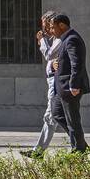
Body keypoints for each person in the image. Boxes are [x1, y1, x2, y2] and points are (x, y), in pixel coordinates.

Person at [21, 11, 61, 159]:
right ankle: (39, 151)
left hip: (56, 82)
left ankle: (38, 151)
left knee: (51, 117)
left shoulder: (59, 39)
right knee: (55, 117)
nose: (45, 29)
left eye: (47, 25)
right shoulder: (54, 38)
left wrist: (42, 42)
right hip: (52, 81)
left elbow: (50, 55)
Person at [50, 14, 90, 153]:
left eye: (53, 27)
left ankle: (78, 151)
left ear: (62, 25)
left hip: (69, 88)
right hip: (61, 88)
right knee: (57, 113)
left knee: (73, 121)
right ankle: (81, 144)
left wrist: (74, 85)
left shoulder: (72, 39)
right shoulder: (65, 39)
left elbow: (76, 64)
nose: (51, 30)